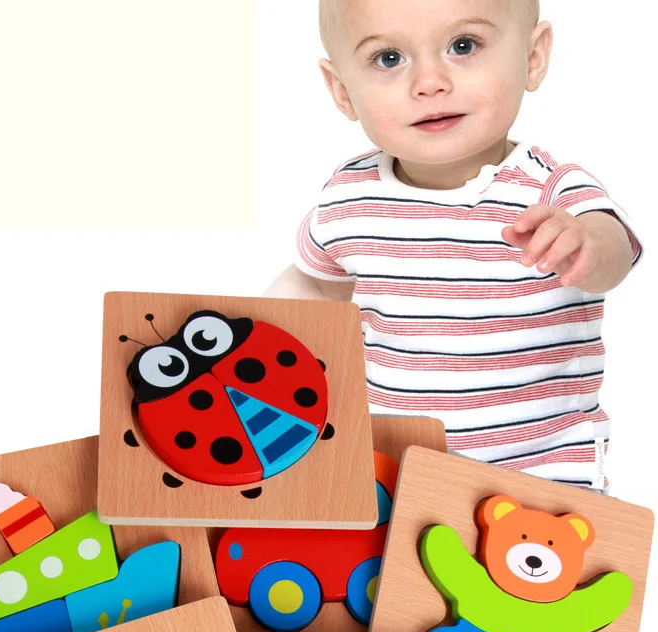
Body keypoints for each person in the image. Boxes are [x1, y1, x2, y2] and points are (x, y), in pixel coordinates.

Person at [267, 0, 641, 489]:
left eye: (463, 46)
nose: (429, 82)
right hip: (396, 467)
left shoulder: (551, 190)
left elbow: (615, 251)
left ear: (532, 58)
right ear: (342, 91)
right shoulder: (348, 196)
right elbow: (317, 289)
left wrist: (585, 244)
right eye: (389, 58)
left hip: (540, 472)